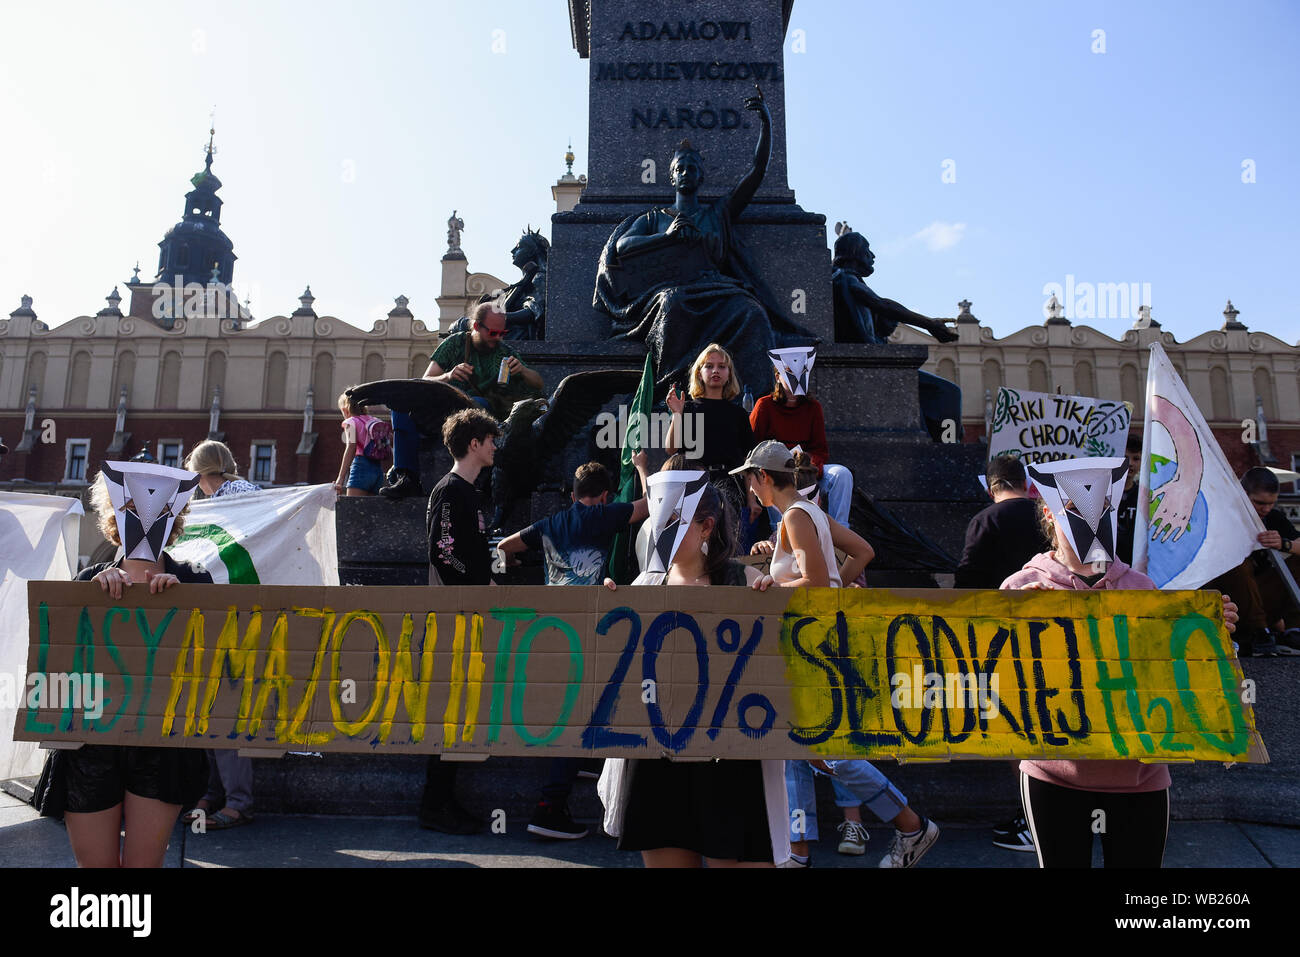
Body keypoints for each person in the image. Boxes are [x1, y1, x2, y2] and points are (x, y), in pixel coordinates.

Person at [1004, 457, 1238, 868]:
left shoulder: (1141, 587)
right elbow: (994, 681)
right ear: (1049, 512)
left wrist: (1207, 632)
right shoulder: (1020, 588)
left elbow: (1169, 673)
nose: (1091, 522)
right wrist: (1015, 627)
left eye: (1102, 510)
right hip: (1054, 774)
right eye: (1077, 510)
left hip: (1140, 776)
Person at [737, 441, 940, 868]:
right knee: (808, 749)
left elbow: (811, 581)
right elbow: (862, 552)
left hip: (812, 645)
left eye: (751, 480)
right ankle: (799, 851)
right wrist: (837, 588)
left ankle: (910, 825)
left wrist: (773, 587)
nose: (750, 489)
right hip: (819, 639)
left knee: (828, 752)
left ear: (765, 478)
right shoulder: (805, 512)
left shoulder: (793, 516)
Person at [600, 479, 787, 867]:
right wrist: (608, 615)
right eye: (659, 520)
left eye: (675, 521)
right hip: (658, 763)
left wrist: (774, 604)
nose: (661, 531)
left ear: (706, 527)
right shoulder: (646, 585)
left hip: (729, 761)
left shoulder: (744, 582)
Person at [33, 462, 209, 866]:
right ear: (113, 512)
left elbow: (213, 665)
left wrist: (184, 606)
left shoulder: (196, 584)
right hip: (90, 747)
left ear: (176, 515)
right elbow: (57, 663)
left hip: (161, 746)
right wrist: (91, 601)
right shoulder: (87, 582)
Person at [594, 88, 816, 396]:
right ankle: (671, 392)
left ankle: (754, 400)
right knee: (673, 306)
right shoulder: (655, 218)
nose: (686, 173)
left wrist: (767, 123)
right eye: (680, 169)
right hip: (670, 290)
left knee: (752, 312)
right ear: (671, 177)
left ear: (701, 176)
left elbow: (757, 172)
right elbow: (622, 248)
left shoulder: (719, 212)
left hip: (717, 288)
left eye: (692, 168)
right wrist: (666, 236)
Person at [496, 455, 651, 839]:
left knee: (571, 710)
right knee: (575, 715)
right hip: (585, 630)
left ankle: (578, 763)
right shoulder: (602, 517)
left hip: (551, 631)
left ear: (572, 494)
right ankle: (548, 808)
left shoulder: (550, 524)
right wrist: (644, 468)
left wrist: (513, 563)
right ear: (601, 497)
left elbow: (505, 545)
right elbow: (651, 505)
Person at [419, 408, 502, 833]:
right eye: (490, 439)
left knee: (457, 712)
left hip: (464, 615)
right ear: (474, 443)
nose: (494, 446)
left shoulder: (468, 492)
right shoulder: (451, 491)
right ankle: (435, 806)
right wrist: (479, 583)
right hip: (453, 618)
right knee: (448, 713)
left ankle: (442, 802)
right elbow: (442, 552)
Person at [381, 301, 544, 499]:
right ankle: (407, 478)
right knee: (400, 407)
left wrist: (523, 370)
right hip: (440, 410)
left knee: (479, 405)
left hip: (475, 415)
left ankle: (476, 481)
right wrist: (448, 375)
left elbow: (538, 383)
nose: (498, 338)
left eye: (503, 333)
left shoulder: (504, 351)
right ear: (476, 326)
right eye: (493, 333)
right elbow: (425, 380)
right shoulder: (455, 343)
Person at [181, 441, 260, 829]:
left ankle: (237, 801)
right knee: (211, 710)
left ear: (199, 473)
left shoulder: (230, 497)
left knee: (223, 711)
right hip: (228, 615)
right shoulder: (236, 493)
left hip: (235, 618)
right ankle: (216, 793)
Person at [666, 343, 761, 549]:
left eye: (722, 366)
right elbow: (671, 449)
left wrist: (752, 499)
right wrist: (677, 414)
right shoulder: (687, 408)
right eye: (709, 366)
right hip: (694, 485)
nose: (715, 371)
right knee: (696, 546)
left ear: (729, 374)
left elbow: (748, 462)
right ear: (699, 373)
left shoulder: (738, 415)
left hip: (730, 486)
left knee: (728, 546)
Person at [748, 348, 854, 525]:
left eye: (801, 371)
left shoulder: (813, 407)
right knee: (772, 479)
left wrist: (809, 466)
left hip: (808, 468)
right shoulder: (764, 406)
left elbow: (820, 449)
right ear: (778, 377)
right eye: (788, 372)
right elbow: (753, 448)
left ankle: (840, 530)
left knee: (841, 474)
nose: (795, 377)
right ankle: (781, 529)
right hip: (776, 472)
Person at [1206, 467, 1300, 656]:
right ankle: (1259, 632)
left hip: (1261, 599)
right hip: (1228, 604)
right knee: (1237, 561)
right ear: (1242, 494)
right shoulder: (1219, 515)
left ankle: (1293, 630)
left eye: (1271, 503)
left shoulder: (1272, 517)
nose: (1266, 509)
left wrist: (1284, 544)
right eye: (1259, 503)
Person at [955, 454, 1050, 589]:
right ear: (1025, 485)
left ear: (990, 492)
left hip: (997, 603)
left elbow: (969, 574)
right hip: (1046, 599)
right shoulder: (1047, 517)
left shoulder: (984, 520)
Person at [333, 389, 388, 497]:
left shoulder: (351, 422)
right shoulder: (375, 420)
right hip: (377, 469)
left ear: (345, 410)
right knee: (370, 511)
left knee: (353, 509)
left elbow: (351, 448)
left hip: (361, 468)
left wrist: (341, 478)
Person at [1115, 433, 1143, 564]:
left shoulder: (1144, 496)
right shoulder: (1103, 494)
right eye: (1125, 458)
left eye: (1136, 458)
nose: (1130, 463)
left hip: (1134, 565)